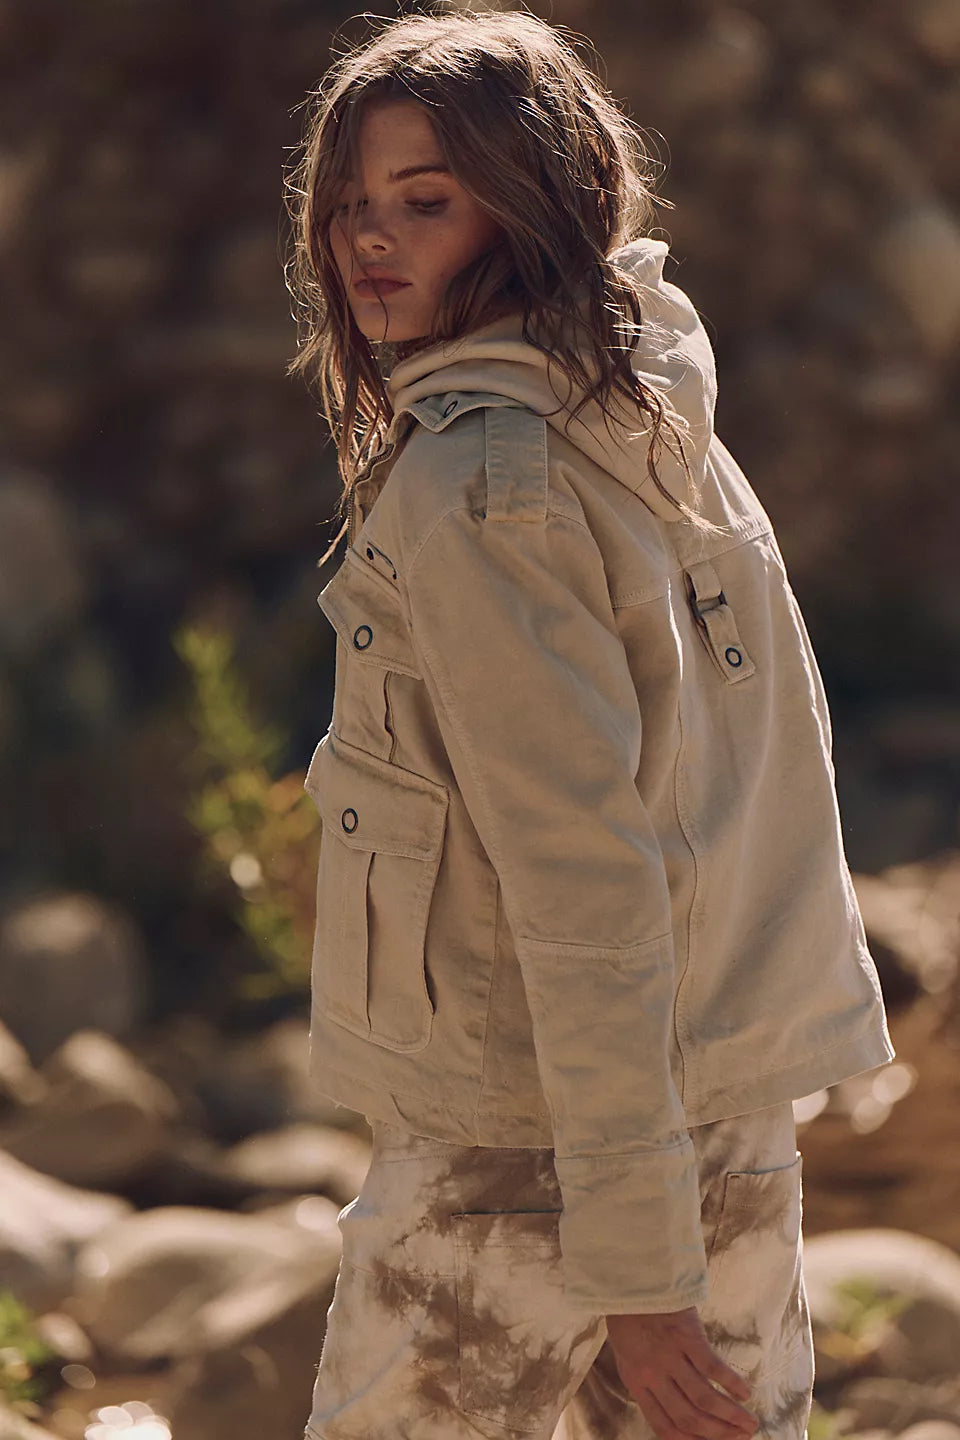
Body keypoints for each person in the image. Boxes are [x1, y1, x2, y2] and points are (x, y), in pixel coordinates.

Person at [283, 10, 894, 1440]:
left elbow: (585, 879)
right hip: (721, 1115)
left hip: (529, 1152)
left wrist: (636, 1268)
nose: (372, 242)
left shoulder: (486, 493)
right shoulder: (654, 413)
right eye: (351, 207)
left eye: (425, 202)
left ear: (535, 199)